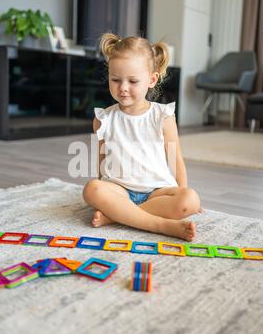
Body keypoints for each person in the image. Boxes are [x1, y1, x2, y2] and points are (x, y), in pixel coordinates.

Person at [83, 33, 201, 241]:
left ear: (152, 79)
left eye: (133, 81)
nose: (123, 88)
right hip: (119, 189)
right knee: (92, 189)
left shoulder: (162, 116)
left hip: (156, 191)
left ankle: (117, 216)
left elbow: (176, 159)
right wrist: (104, 196)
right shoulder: (103, 119)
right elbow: (101, 164)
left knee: (190, 199)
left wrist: (182, 192)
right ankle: (160, 225)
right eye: (115, 80)